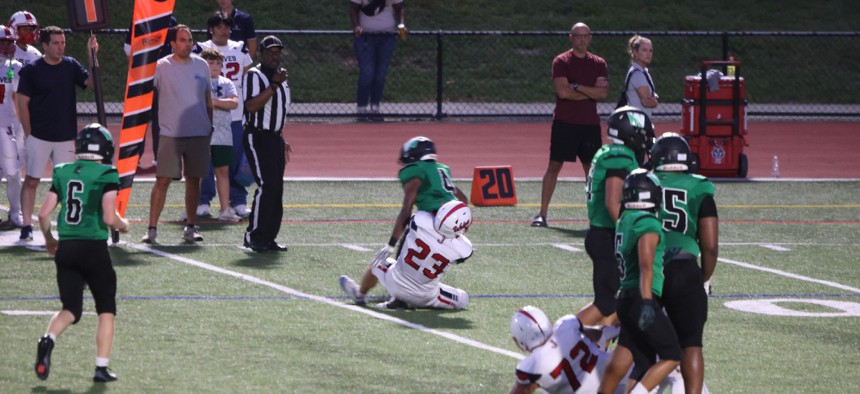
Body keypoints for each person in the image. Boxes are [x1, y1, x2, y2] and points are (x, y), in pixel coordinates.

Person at [34, 124, 129, 383]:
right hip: (93, 248)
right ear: (105, 149)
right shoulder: (107, 172)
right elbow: (109, 217)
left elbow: (43, 214)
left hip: (66, 248)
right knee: (106, 309)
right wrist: (123, 225)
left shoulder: (63, 171)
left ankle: (48, 339)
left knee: (70, 309)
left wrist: (49, 240)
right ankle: (101, 367)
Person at [338, 136, 469, 304]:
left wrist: (390, 244)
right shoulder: (442, 169)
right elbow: (463, 200)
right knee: (435, 272)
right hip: (450, 232)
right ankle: (410, 293)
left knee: (385, 260)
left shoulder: (415, 170)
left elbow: (406, 209)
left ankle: (362, 294)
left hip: (427, 226)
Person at [599, 169, 680, 394]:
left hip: (626, 299)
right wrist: (647, 302)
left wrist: (663, 257)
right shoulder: (647, 222)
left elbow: (635, 257)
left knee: (637, 358)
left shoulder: (625, 220)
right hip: (641, 298)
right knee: (672, 354)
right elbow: (645, 264)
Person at [650, 133, 719, 393]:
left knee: (638, 341)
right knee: (691, 344)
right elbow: (710, 245)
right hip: (685, 269)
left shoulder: (645, 182)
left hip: (649, 269)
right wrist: (704, 277)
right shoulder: (699, 187)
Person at [16, 26, 98, 242]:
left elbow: (91, 83)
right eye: (56, 43)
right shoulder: (32, 70)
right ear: (45, 45)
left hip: (65, 137)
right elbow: (22, 103)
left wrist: (92, 55)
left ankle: (67, 224)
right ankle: (26, 225)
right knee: (32, 180)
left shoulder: (70, 65)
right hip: (39, 136)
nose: (61, 47)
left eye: (63, 43)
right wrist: (29, 134)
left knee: (67, 183)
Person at [576, 106, 653, 327]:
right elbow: (612, 202)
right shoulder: (619, 157)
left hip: (603, 233)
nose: (646, 139)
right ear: (630, 134)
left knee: (615, 303)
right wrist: (630, 232)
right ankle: (561, 338)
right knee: (605, 304)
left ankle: (597, 342)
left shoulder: (609, 152)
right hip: (607, 235)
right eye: (642, 134)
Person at [141, 25, 213, 244]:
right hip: (171, 135)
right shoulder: (161, 66)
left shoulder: (202, 65)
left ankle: (190, 227)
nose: (187, 44)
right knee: (163, 180)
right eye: (182, 40)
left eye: (189, 40)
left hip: (199, 133)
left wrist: (209, 125)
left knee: (194, 180)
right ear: (172, 44)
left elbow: (208, 99)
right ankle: (151, 229)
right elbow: (143, 88)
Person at [532, 22, 608, 228]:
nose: (582, 40)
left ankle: (597, 216)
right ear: (571, 38)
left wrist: (577, 86)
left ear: (590, 38)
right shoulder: (561, 61)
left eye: (585, 36)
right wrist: (589, 92)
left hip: (589, 124)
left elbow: (602, 93)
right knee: (554, 166)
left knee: (592, 171)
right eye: (578, 36)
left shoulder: (599, 63)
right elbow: (563, 92)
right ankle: (542, 214)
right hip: (565, 123)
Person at [340, 200, 473, 309]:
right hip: (425, 296)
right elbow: (456, 249)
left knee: (378, 260)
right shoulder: (464, 249)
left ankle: (360, 294)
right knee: (463, 298)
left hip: (394, 281)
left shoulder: (420, 219)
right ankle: (404, 302)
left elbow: (425, 218)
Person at [194, 11, 253, 219]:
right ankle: (203, 200)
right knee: (205, 161)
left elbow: (246, 74)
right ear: (211, 29)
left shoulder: (239, 47)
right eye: (219, 27)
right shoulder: (201, 48)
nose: (224, 30)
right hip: (206, 116)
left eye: (227, 26)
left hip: (234, 114)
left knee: (232, 160)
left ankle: (238, 200)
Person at [241, 35, 291, 253]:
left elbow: (278, 111)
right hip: (258, 136)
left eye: (277, 53)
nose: (274, 57)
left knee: (276, 188)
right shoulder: (255, 75)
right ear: (261, 54)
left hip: (274, 137)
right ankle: (253, 235)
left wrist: (281, 136)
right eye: (270, 52)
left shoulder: (282, 76)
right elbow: (251, 106)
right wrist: (273, 85)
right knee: (267, 185)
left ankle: (269, 237)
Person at [509, 305, 625, 394]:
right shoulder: (565, 326)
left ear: (519, 341)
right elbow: (599, 334)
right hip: (624, 376)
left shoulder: (532, 366)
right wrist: (622, 329)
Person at [123, 15, 178, 167]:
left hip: (163, 78)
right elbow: (128, 49)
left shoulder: (171, 20)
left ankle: (160, 156)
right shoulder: (139, 19)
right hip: (143, 78)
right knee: (139, 120)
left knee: (161, 119)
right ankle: (134, 158)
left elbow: (175, 48)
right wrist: (140, 71)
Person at [199, 47, 241, 222]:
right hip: (201, 133)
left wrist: (214, 102)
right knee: (198, 171)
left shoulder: (226, 83)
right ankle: (194, 207)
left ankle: (225, 209)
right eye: (211, 63)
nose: (215, 66)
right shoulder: (198, 81)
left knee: (222, 171)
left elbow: (234, 102)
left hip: (223, 134)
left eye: (218, 63)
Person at [349, 0, 406, 121]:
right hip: (365, 36)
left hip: (386, 36)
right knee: (367, 73)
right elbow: (353, 9)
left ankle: (375, 108)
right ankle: (361, 108)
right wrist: (356, 25)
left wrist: (401, 25)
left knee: (380, 74)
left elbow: (399, 8)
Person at [0, 26, 24, 228]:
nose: (9, 46)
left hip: (8, 128)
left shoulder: (15, 67)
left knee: (13, 172)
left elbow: (21, 98)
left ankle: (16, 213)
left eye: (10, 42)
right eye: (4, 42)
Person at [623, 35, 658, 118]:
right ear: (635, 52)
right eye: (644, 50)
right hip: (638, 120)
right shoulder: (638, 75)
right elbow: (647, 102)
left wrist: (653, 97)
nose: (648, 54)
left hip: (640, 119)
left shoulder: (642, 71)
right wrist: (655, 101)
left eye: (650, 50)